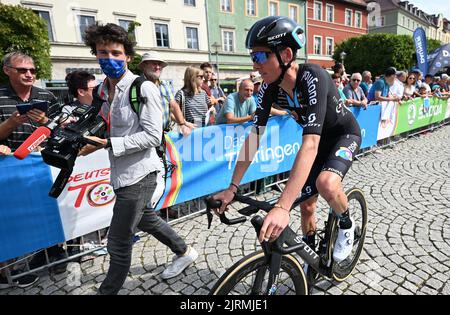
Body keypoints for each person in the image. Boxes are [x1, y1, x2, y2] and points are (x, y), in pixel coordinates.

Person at [212, 16, 362, 264]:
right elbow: (254, 138)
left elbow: (310, 143)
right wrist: (232, 188)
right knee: (306, 204)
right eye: (253, 57)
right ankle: (310, 253)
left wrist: (282, 207)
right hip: (318, 143)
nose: (255, 64)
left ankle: (347, 224)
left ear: (286, 54)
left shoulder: (313, 77)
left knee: (325, 183)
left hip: (343, 136)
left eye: (260, 56)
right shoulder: (269, 89)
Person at [79, 23, 197, 295]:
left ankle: (106, 292)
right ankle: (184, 250)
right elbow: (104, 123)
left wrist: (109, 143)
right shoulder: (101, 91)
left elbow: (153, 137)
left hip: (141, 175)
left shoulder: (143, 88)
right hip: (120, 173)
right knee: (146, 219)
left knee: (118, 242)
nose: (109, 58)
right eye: (103, 52)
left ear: (128, 57)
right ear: (95, 54)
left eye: (116, 53)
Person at [0, 52, 60, 151]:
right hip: (9, 160)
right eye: (22, 70)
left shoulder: (48, 96)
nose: (29, 75)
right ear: (7, 70)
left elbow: (60, 130)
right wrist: (10, 123)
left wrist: (44, 121)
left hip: (43, 159)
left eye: (32, 71)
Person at [139, 51, 195, 136]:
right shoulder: (138, 85)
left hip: (166, 134)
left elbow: (173, 106)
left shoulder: (165, 85)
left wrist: (183, 124)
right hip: (145, 136)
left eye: (160, 64)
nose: (158, 67)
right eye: (154, 63)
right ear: (144, 65)